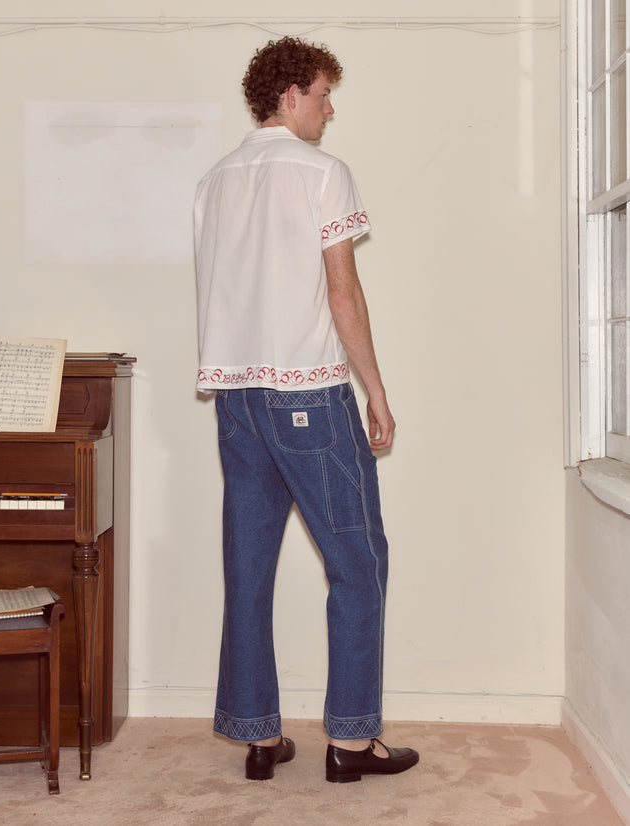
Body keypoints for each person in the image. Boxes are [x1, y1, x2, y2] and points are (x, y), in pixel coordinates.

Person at [194, 35, 419, 783]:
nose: (330, 107)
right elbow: (342, 290)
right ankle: (352, 743)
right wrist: (375, 389)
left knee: (249, 568)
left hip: (236, 398)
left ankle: (259, 737)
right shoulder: (322, 172)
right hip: (308, 394)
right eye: (323, 93)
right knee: (360, 562)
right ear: (288, 93)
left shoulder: (216, 180)